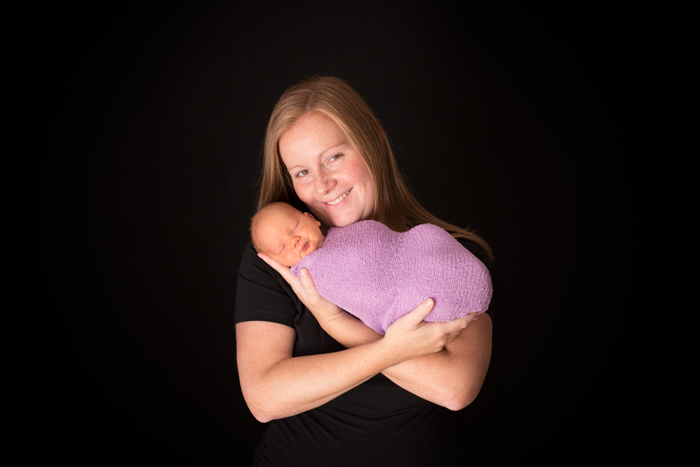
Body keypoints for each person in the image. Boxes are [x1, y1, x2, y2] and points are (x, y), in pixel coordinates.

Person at [235, 76, 494, 466]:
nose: (322, 185)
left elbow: (455, 388)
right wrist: (393, 349)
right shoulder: (283, 259)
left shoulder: (449, 256)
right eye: (302, 172)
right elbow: (265, 399)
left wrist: (338, 322)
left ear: (374, 138)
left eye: (334, 157)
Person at [249, 201, 492, 334]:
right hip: (401, 295)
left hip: (418, 258)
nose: (294, 240)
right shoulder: (311, 275)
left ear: (311, 218)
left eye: (294, 228)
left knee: (427, 240)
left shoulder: (348, 232)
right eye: (282, 248)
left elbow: (383, 248)